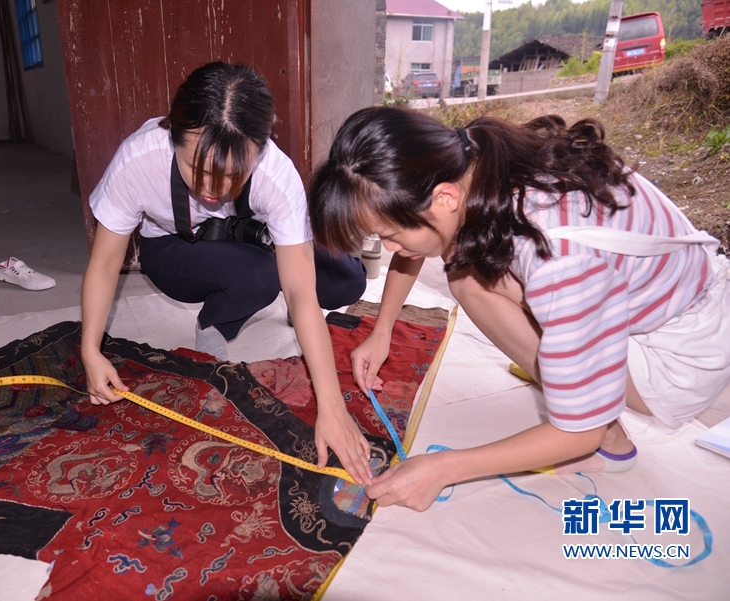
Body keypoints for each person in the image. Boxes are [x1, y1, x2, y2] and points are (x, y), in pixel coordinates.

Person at [308, 105, 730, 511]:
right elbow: (419, 237)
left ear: (444, 198)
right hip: (683, 297)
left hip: (683, 358)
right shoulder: (476, 154)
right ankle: (586, 386)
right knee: (466, 263)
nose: (390, 248)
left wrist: (442, 468)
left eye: (390, 234)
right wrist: (383, 331)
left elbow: (577, 432)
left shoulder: (558, 259)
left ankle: (610, 439)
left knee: (468, 278)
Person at [80, 62, 373, 484]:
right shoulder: (140, 158)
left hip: (242, 236)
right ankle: (214, 321)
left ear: (260, 146)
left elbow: (301, 292)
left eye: (234, 174)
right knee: (261, 276)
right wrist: (91, 348)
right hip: (173, 249)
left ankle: (244, 307)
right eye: (196, 170)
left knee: (346, 277)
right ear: (172, 133)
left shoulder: (275, 171)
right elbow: (105, 263)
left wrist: (332, 406)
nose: (212, 189)